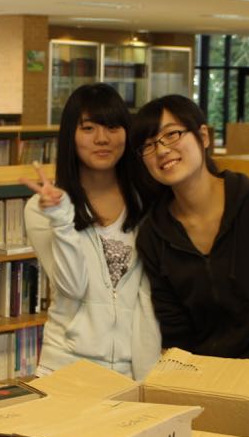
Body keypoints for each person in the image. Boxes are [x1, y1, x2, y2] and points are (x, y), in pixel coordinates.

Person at [131, 94, 249, 360]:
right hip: (205, 373)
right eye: (149, 145)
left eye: (172, 135)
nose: (162, 150)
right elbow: (174, 326)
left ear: (203, 137)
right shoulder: (154, 233)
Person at [21, 83, 161, 378]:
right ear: (70, 136)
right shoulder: (42, 209)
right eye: (88, 128)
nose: (102, 139)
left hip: (132, 370)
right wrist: (61, 219)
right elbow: (72, 288)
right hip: (65, 367)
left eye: (112, 127)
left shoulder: (148, 203)